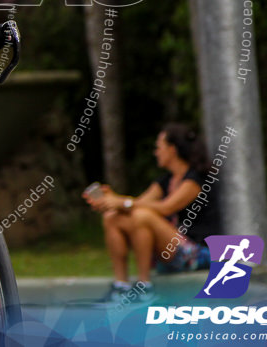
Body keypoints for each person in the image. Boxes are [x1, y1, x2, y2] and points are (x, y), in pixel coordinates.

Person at [83, 123, 220, 302]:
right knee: (113, 218)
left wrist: (121, 202)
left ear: (172, 150)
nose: (156, 152)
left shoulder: (196, 180)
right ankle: (121, 286)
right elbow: (139, 203)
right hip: (170, 251)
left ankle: (144, 285)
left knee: (142, 217)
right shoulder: (165, 181)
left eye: (159, 147)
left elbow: (166, 208)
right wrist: (112, 202)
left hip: (197, 254)